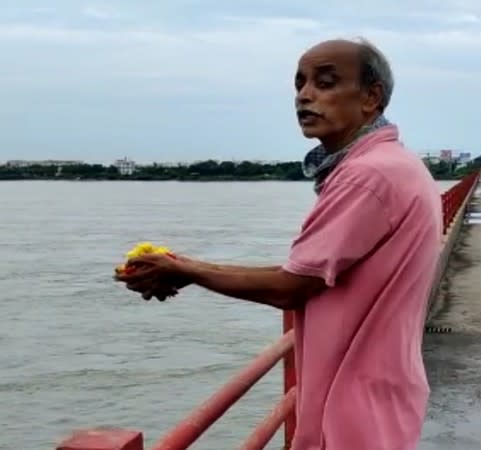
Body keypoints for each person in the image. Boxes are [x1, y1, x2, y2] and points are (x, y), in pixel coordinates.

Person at [116, 38, 443, 450]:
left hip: (349, 411)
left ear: (371, 97)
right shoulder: (394, 165)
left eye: (325, 83)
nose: (305, 95)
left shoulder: (368, 176)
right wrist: (182, 267)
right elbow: (302, 274)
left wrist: (184, 271)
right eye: (300, 84)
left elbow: (290, 286)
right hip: (378, 394)